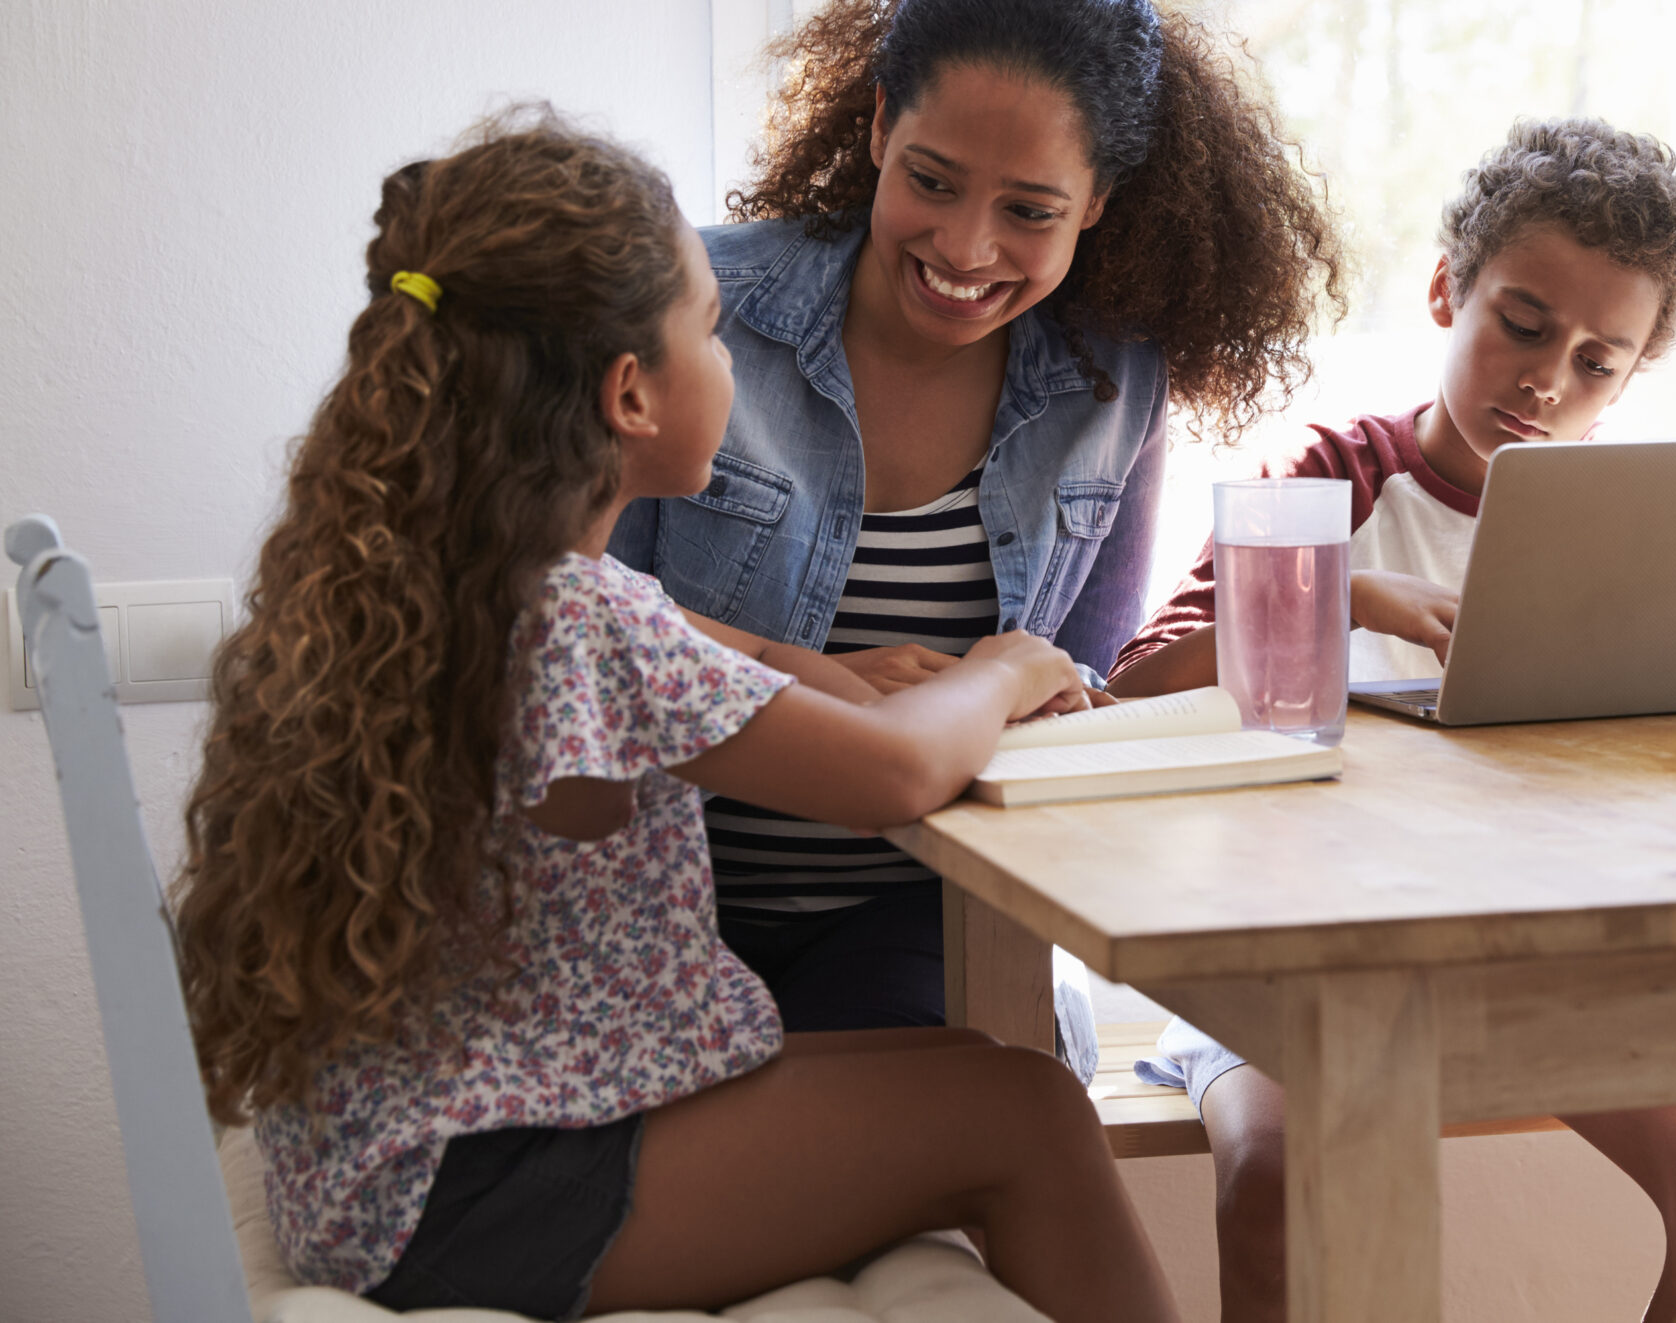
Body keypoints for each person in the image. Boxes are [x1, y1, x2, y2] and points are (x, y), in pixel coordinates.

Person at [173, 114, 1180, 1323]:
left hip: (401, 1169)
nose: (735, 361)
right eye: (712, 329)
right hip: (487, 1195)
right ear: (631, 394)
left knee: (975, 1070)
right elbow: (894, 778)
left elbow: (734, 652)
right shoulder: (580, 625)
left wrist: (836, 670)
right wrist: (1010, 669)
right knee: (1031, 1116)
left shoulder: (456, 578)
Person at [1112, 118, 1676, 1323]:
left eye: (1598, 360)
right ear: (1447, 291)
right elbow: (1140, 679)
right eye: (1522, 327)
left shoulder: (1638, 512)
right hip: (1291, 949)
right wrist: (1345, 593)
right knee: (1280, 1177)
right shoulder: (1331, 475)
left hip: (1540, 953)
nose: (1547, 380)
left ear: (1635, 373)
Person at [610, 0, 1342, 1034]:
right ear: (875, 128)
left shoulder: (1113, 380)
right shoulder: (692, 310)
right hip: (650, 906)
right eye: (931, 182)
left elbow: (1073, 676)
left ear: (1097, 202)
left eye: (1030, 211)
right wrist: (804, 678)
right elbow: (562, 620)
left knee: (954, 1109)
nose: (965, 246)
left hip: (919, 914)